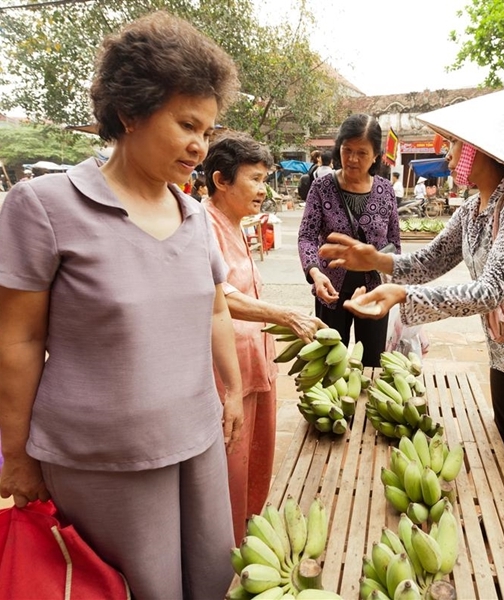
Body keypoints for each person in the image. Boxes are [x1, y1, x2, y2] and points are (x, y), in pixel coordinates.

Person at [0, 12, 243, 599]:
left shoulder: (193, 217)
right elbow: (18, 340)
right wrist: (17, 454)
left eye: (207, 131)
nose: (199, 146)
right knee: (126, 587)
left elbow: (214, 312)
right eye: (187, 123)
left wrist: (231, 391)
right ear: (131, 112)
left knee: (208, 581)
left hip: (197, 443)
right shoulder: (43, 206)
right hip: (99, 460)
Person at [319, 87, 504, 532]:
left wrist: (404, 299)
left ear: (482, 149)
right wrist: (377, 261)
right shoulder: (475, 205)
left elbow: (490, 290)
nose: (451, 154)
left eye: (457, 144)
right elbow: (429, 261)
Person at [203, 131, 324, 540]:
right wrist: (285, 313)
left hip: (257, 364)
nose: (263, 190)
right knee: (231, 473)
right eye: (254, 179)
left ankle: (249, 534)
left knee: (256, 463)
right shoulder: (203, 224)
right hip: (227, 376)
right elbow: (221, 296)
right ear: (221, 180)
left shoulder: (236, 224)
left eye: (264, 179)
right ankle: (228, 551)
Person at [298, 113, 401, 368]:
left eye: (362, 152)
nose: (353, 159)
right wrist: (314, 272)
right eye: (347, 150)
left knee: (372, 363)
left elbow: (395, 244)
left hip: (374, 291)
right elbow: (307, 236)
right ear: (338, 149)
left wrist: (382, 271)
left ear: (376, 155)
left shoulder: (385, 190)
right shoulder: (322, 187)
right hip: (330, 290)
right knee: (330, 363)